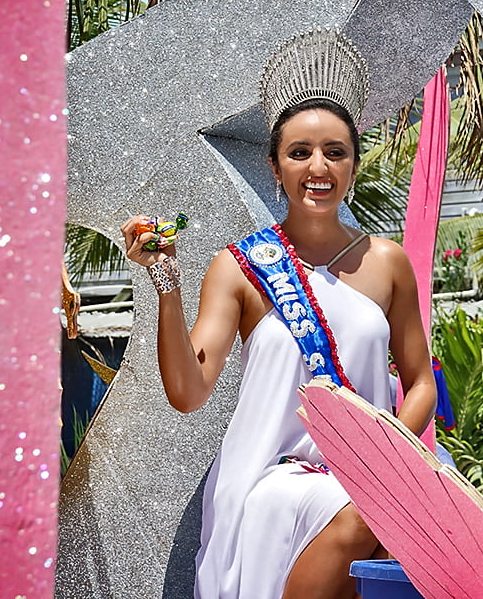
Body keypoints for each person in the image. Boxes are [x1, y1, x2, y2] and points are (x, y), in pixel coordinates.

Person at [121, 30, 436, 599]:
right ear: (275, 166)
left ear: (354, 165)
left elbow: (419, 384)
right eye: (300, 152)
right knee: (365, 518)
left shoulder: (387, 263)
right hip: (271, 477)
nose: (319, 166)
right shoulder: (240, 268)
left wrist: (384, 455)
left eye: (335, 152)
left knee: (424, 534)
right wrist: (164, 280)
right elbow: (189, 391)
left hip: (370, 468)